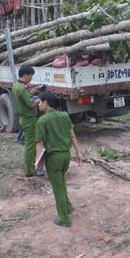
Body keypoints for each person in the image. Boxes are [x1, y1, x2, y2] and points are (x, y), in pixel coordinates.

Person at [35, 91, 82, 227]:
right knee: (61, 181)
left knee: (57, 187)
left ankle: (64, 218)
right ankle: (68, 206)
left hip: (54, 158)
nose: (38, 105)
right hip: (66, 156)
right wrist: (78, 153)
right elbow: (72, 136)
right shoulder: (64, 115)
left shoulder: (42, 120)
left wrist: (37, 162)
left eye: (39, 102)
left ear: (46, 103)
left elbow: (39, 143)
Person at [12, 65, 41, 177]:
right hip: (29, 119)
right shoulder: (22, 88)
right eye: (31, 76)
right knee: (30, 145)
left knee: (31, 143)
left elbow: (25, 99)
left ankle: (33, 165)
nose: (31, 78)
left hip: (24, 118)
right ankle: (30, 170)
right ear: (25, 75)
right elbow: (31, 104)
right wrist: (41, 98)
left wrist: (32, 92)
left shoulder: (16, 86)